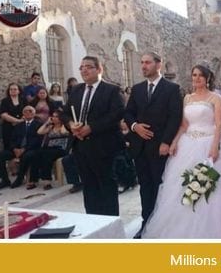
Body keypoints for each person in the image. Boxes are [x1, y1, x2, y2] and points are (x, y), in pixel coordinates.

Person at [142, 62, 221, 238]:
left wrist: (215, 147)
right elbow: (184, 124)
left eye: (201, 75)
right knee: (180, 187)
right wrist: (175, 142)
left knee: (211, 188)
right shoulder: (187, 98)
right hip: (187, 144)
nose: (197, 78)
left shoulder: (215, 98)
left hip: (209, 142)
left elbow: (218, 125)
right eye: (194, 75)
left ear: (207, 78)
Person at [124, 52, 183, 237]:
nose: (143, 66)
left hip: (160, 147)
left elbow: (175, 117)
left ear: (159, 65)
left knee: (160, 186)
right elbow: (128, 113)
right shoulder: (137, 89)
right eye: (142, 62)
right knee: (145, 187)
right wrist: (135, 127)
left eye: (147, 62)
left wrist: (166, 142)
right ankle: (146, 224)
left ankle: (162, 224)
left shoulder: (172, 89)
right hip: (140, 147)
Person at [61, 55, 124, 216]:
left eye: (88, 66)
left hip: (103, 146)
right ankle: (93, 221)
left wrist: (91, 128)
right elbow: (65, 113)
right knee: (89, 187)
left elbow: (115, 115)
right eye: (81, 67)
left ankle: (110, 223)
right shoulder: (76, 90)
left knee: (106, 186)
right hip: (80, 146)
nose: (84, 70)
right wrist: (71, 125)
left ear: (99, 69)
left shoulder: (111, 90)